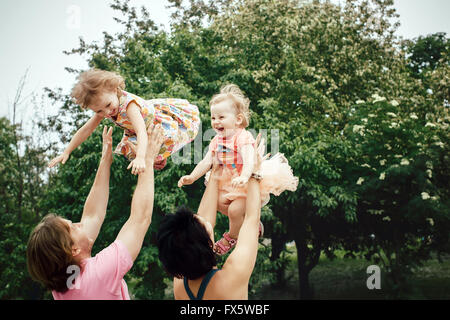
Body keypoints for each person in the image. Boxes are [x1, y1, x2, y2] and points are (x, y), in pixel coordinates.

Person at [27, 123, 165, 299]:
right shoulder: (100, 273)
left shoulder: (62, 287)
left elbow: (92, 216)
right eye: (73, 227)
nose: (79, 224)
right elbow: (140, 219)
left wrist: (105, 161)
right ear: (74, 250)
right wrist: (147, 158)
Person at [178, 84, 298, 255]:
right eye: (213, 118)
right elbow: (206, 162)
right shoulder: (217, 140)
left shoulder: (242, 137)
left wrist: (244, 176)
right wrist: (192, 177)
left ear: (238, 120)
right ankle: (251, 222)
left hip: (246, 182)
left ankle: (232, 236)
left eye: (221, 117)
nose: (216, 121)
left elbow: (250, 159)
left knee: (234, 210)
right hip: (229, 181)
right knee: (218, 203)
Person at [157, 134, 266, 300]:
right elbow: (251, 219)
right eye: (199, 222)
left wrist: (215, 171)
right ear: (207, 243)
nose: (199, 216)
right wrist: (254, 171)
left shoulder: (181, 284)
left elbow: (204, 218)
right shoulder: (231, 278)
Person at [48, 68, 200, 175]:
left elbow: (141, 131)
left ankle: (152, 157)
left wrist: (142, 157)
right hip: (138, 132)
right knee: (128, 151)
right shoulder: (105, 107)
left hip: (155, 125)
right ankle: (156, 159)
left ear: (115, 89)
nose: (106, 112)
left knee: (139, 150)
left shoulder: (129, 106)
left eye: (108, 105)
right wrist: (67, 151)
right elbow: (86, 129)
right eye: (99, 111)